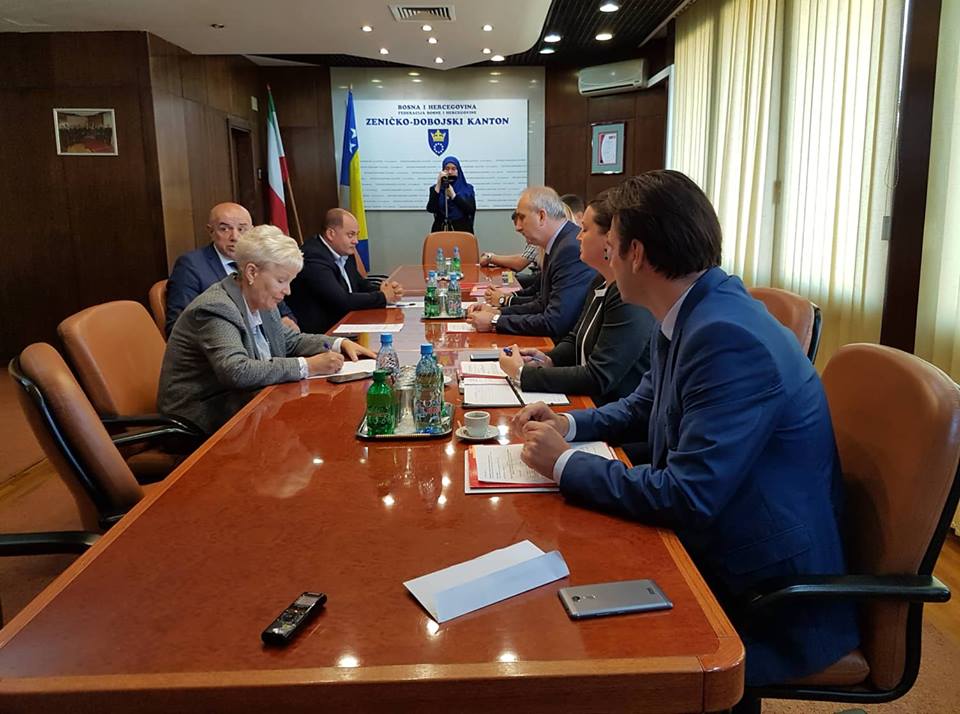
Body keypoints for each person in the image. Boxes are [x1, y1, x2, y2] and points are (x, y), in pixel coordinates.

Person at [512, 170, 859, 687]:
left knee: (562, 627)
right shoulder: (692, 308)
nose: (604, 255)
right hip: (720, 543)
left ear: (635, 253)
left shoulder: (726, 337)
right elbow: (642, 405)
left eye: (610, 243)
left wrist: (563, 462)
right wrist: (568, 421)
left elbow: (688, 495)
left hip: (762, 596)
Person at [158, 225, 376, 435]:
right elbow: (236, 371)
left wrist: (339, 344)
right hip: (202, 421)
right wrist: (307, 366)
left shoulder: (261, 300)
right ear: (252, 272)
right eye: (281, 280)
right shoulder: (216, 307)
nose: (287, 291)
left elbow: (291, 341)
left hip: (249, 408)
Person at [498, 196, 655, 405]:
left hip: (607, 410)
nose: (578, 236)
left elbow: (598, 376)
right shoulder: (600, 281)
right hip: (587, 401)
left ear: (609, 239)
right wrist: (548, 359)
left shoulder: (628, 296)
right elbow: (575, 338)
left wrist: (522, 374)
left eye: (585, 229)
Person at [467, 187, 596, 340]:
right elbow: (542, 303)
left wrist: (494, 321)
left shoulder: (568, 249)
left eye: (522, 218)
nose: (518, 227)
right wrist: (498, 312)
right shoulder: (558, 243)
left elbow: (555, 321)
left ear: (541, 216)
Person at [164, 203, 298, 337]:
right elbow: (178, 327)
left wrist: (287, 321)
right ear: (211, 231)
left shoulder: (259, 261)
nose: (235, 237)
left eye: (242, 229)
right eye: (224, 229)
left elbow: (282, 311)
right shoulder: (191, 265)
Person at [286, 208, 404, 334]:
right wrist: (382, 297)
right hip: (322, 333)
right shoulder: (313, 258)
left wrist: (383, 290)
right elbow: (341, 301)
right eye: (350, 235)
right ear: (331, 234)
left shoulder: (344, 251)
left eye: (356, 235)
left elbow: (358, 284)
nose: (356, 241)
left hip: (345, 324)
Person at [426, 156, 476, 233]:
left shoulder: (467, 189)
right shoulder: (435, 189)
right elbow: (431, 209)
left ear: (458, 171)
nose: (450, 172)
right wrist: (439, 183)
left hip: (462, 230)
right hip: (440, 230)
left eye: (453, 169)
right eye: (447, 169)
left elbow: (470, 210)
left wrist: (453, 195)